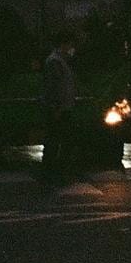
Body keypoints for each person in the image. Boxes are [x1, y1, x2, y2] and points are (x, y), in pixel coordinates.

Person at [39, 29, 79, 186]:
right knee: (57, 141)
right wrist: (55, 107)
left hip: (62, 108)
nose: (71, 48)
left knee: (57, 141)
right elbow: (53, 87)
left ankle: (53, 172)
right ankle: (52, 173)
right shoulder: (55, 62)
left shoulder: (60, 61)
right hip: (59, 109)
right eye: (70, 45)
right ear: (64, 44)